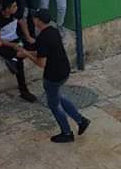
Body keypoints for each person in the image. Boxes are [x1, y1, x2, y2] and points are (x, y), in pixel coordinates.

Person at [16, 9, 91, 143]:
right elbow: (43, 52)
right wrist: (28, 51)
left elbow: (41, 63)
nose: (33, 20)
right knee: (57, 96)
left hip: (53, 76)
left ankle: (67, 133)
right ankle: (81, 120)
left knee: (54, 104)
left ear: (38, 21)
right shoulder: (53, 31)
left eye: (35, 18)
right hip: (64, 70)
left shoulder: (42, 38)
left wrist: (26, 54)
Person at [0, 0, 38, 103]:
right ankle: (24, 91)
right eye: (13, 6)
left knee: (35, 44)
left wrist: (28, 37)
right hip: (3, 44)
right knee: (18, 58)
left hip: (16, 40)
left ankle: (28, 52)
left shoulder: (16, 14)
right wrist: (13, 45)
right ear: (7, 9)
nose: (16, 8)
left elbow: (22, 22)